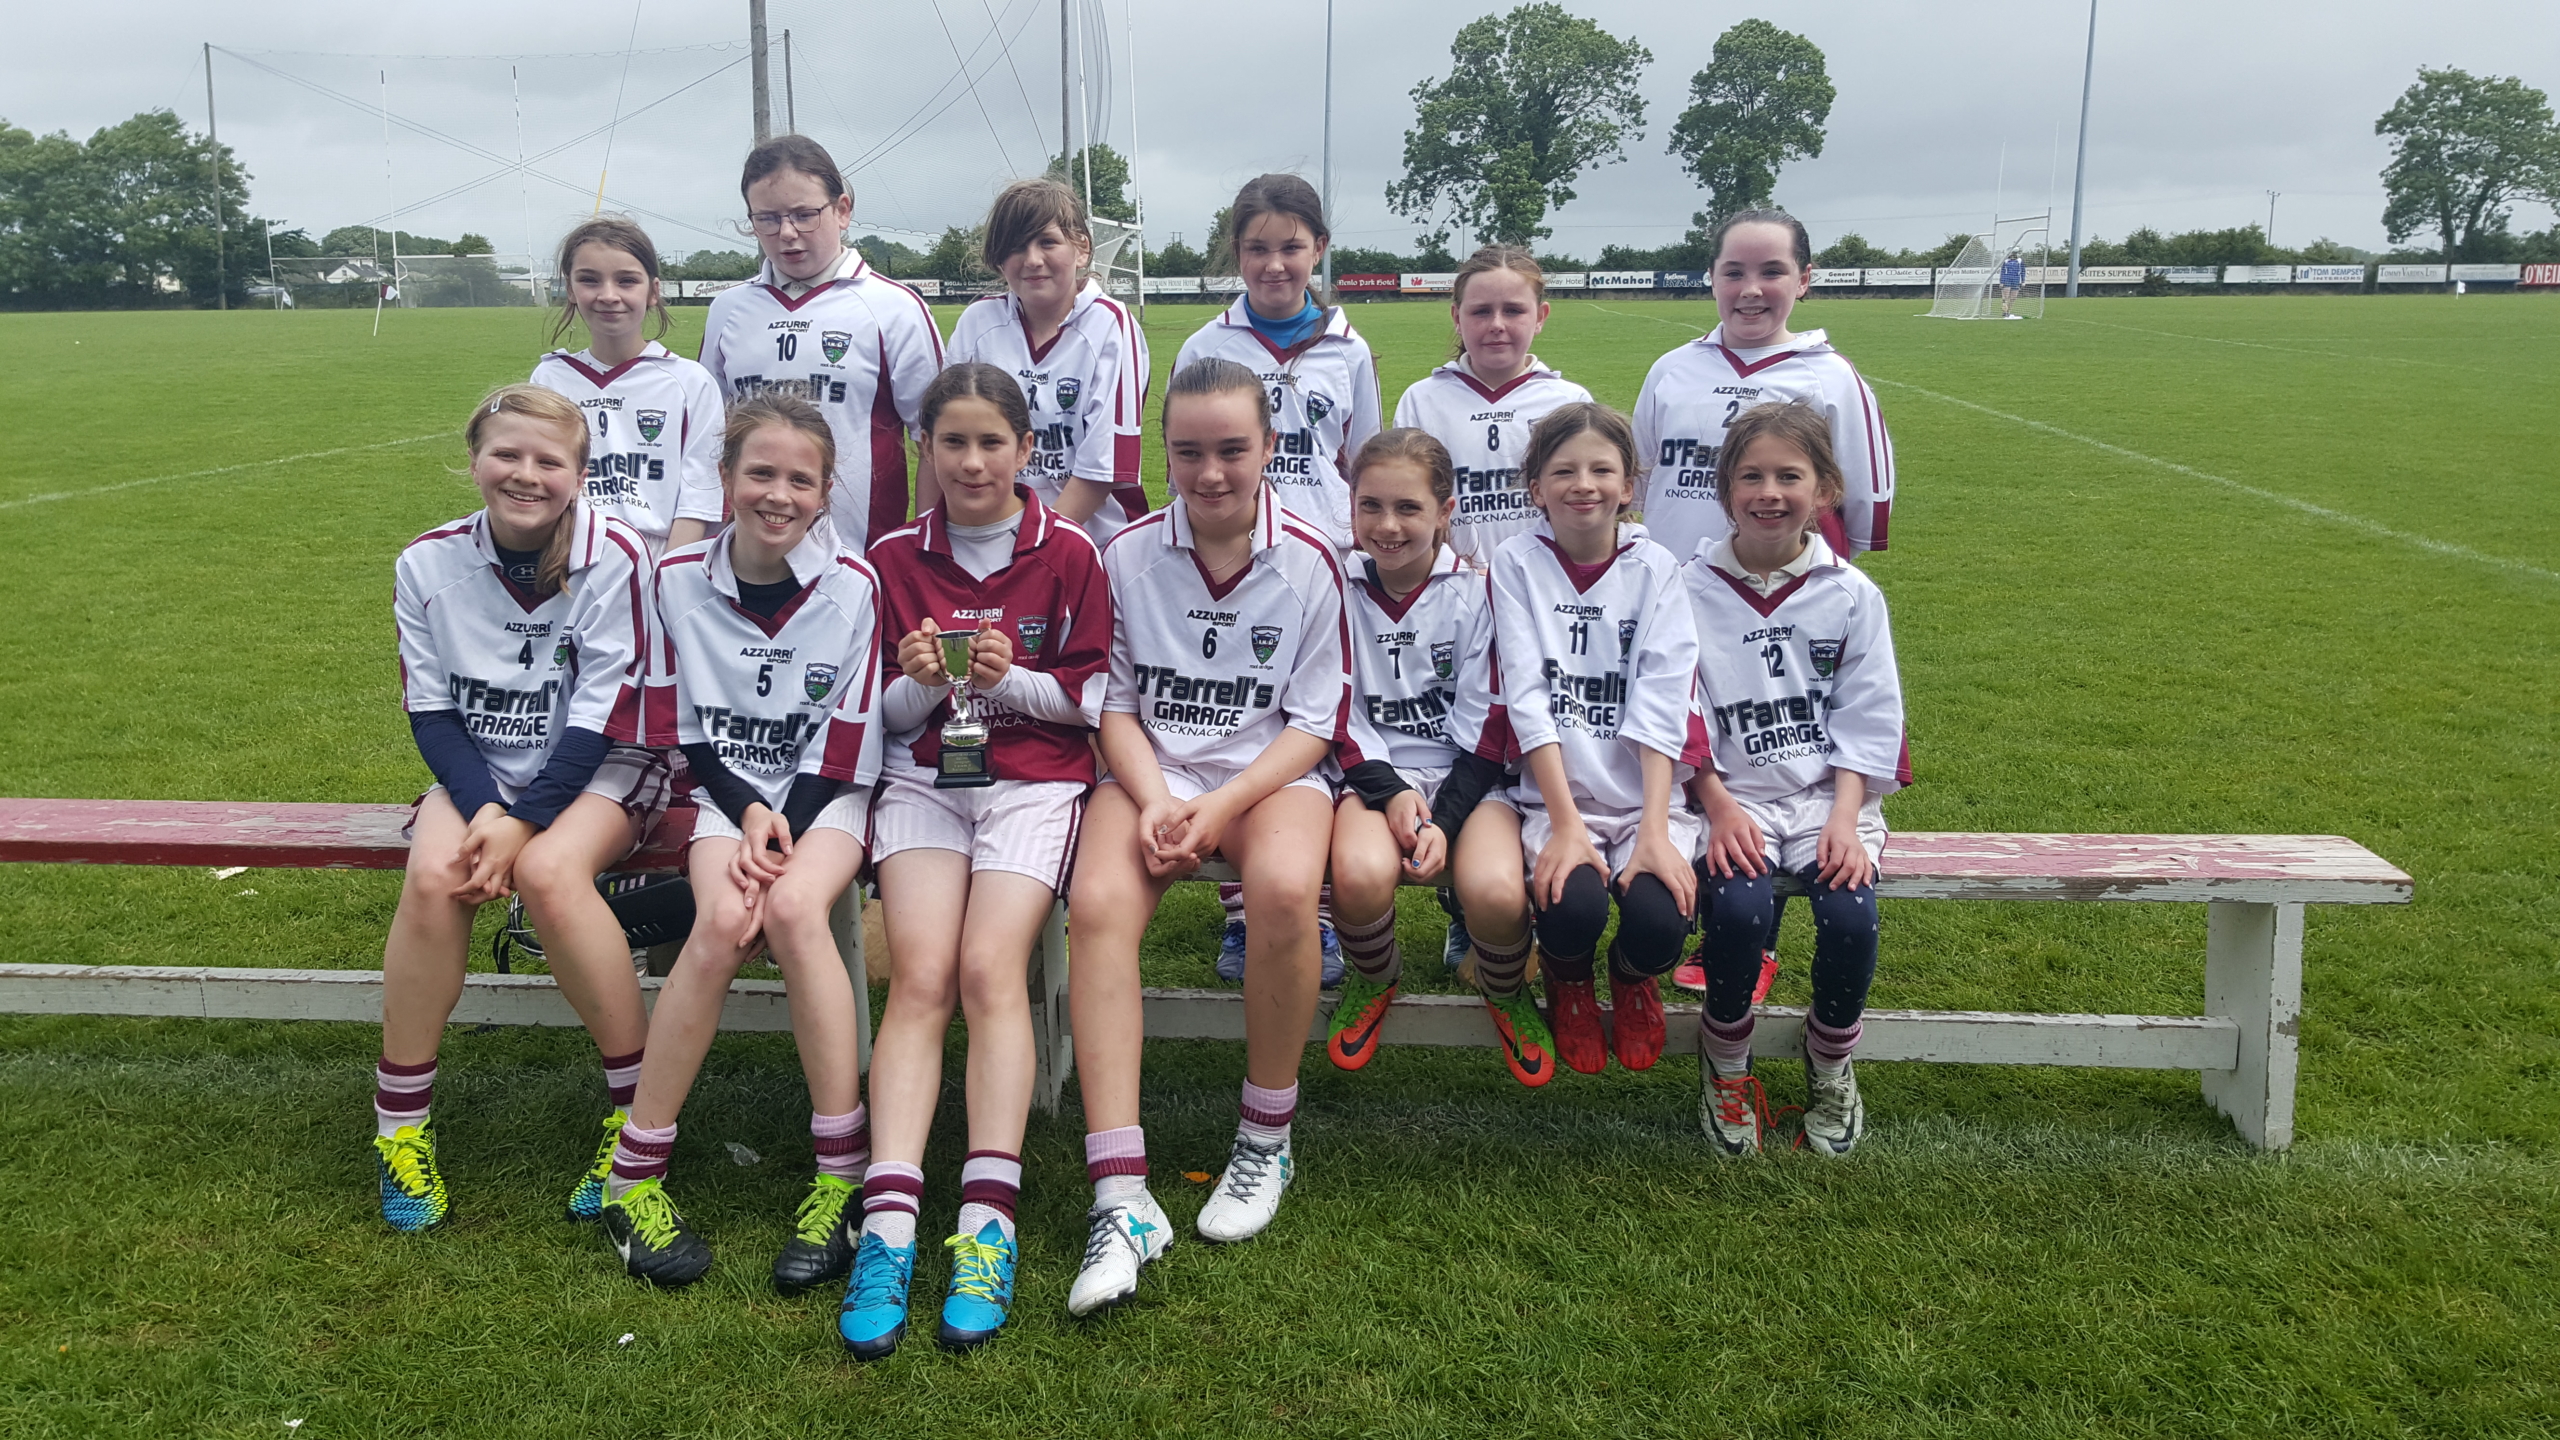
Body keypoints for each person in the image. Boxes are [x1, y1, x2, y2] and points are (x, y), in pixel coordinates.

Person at [1063, 357, 1348, 1316]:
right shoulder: (1125, 554)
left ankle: (1266, 1137)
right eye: (1188, 452)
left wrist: (1221, 810)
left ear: (1271, 447)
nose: (1211, 472)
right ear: (1165, 452)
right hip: (1152, 771)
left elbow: (1312, 723)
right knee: (1098, 904)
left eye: (1233, 449)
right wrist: (1154, 799)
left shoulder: (1311, 559)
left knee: (1282, 892)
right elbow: (1112, 703)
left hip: (1270, 775)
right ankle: (1121, 1193)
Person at [840, 363, 1113, 1358]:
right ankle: (888, 1226)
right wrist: (922, 684)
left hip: (1032, 786)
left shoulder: (1071, 551)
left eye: (992, 441)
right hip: (924, 781)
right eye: (951, 441)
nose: (971, 461)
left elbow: (1091, 702)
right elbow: (875, 718)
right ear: (925, 449)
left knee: (990, 970)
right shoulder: (889, 558)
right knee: (919, 976)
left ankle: (987, 1222)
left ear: (1027, 449)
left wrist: (1014, 678)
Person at [599, 393, 886, 1289]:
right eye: (759, 473)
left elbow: (847, 737)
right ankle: (632, 1177)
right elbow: (683, 727)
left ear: (826, 491)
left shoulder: (856, 583)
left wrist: (784, 822)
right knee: (721, 921)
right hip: (725, 797)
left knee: (796, 909)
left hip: (826, 795)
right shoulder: (677, 576)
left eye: (800, 479)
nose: (778, 494)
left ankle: (842, 1177)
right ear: (724, 479)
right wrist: (747, 812)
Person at [375, 385, 664, 1233]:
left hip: (607, 763)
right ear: (474, 460)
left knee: (549, 873)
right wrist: (488, 811)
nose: (525, 474)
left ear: (580, 474)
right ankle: (400, 1129)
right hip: (485, 777)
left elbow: (602, 713)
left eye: (549, 460)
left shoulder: (616, 554)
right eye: (506, 454)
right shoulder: (425, 563)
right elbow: (433, 712)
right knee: (436, 875)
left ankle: (634, 1121)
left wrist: (523, 823)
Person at [1630, 206, 1897, 999]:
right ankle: (1684, 920)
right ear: (1711, 278)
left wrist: (1798, 601)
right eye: (1734, 271)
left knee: (1769, 749)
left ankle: (1751, 942)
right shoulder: (1671, 370)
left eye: (1772, 271)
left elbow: (1860, 513)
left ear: (1804, 280)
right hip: (1680, 601)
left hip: (1780, 601)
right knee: (1683, 755)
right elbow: (1638, 483)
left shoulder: (1833, 378)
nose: (1751, 289)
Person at [1450, 402, 1706, 1085]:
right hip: (1556, 797)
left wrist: (1655, 828)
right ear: (1535, 487)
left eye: (1601, 470)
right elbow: (1527, 693)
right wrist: (1564, 824)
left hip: (1646, 800)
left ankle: (1630, 979)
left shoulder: (1656, 566)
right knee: (1573, 904)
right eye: (1564, 471)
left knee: (1661, 921)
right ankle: (1568, 983)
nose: (1583, 484)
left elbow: (1664, 696)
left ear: (1629, 486)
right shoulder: (1516, 562)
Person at [1680, 400, 1907, 1158]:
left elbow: (1870, 714)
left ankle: (1831, 1059)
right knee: (1740, 909)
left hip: (1824, 801)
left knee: (1850, 917)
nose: (1768, 492)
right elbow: (1675, 711)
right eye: (1750, 476)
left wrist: (1845, 818)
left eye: (1789, 476)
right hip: (1727, 798)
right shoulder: (1686, 588)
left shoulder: (1851, 594)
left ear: (1826, 489)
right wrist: (1716, 804)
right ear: (1724, 488)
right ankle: (1726, 1061)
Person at [1174, 174, 1377, 982]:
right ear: (1237, 253)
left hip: (1319, 564)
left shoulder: (1349, 348)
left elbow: (1363, 458)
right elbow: (1187, 455)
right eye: (1256, 248)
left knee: (1307, 731)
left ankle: (1310, 908)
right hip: (1232, 561)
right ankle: (1240, 911)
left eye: (1291, 247)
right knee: (1236, 722)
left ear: (1318, 248)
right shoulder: (1206, 345)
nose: (1273, 264)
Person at [1322, 428, 1505, 1071]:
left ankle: (1506, 989)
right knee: (1358, 875)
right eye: (1370, 506)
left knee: (1498, 891)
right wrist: (1392, 792)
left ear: (1445, 510)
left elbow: (1489, 725)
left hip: (1470, 780)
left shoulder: (1481, 594)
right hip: (1373, 776)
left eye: (1408, 508)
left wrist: (1444, 821)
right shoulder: (1333, 587)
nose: (1387, 525)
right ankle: (1377, 978)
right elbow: (1333, 712)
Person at [698, 134, 944, 555]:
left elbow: (935, 441)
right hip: (750, 559)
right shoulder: (728, 308)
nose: (787, 233)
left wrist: (925, 550)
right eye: (767, 219)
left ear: (842, 210)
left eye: (804, 215)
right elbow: (707, 438)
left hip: (862, 558)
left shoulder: (895, 308)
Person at [942, 178, 1151, 550]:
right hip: (992, 543)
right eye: (1016, 246)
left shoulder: (1110, 325)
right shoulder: (978, 322)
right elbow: (946, 440)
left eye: (1048, 242)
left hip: (1090, 544)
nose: (1033, 260)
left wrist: (1031, 549)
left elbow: (1101, 468)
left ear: (1081, 249)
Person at [529, 216, 726, 555]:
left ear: (653, 291)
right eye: (589, 280)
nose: (608, 295)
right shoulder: (549, 379)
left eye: (626, 281)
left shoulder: (690, 382)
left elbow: (700, 497)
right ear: (571, 289)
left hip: (660, 558)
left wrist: (668, 574)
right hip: (568, 556)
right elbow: (539, 481)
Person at [1392, 245, 1594, 568]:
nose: (1497, 324)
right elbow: (1406, 502)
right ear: (1457, 317)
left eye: (1513, 311)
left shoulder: (1569, 402)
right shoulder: (1422, 399)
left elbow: (1587, 508)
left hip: (1545, 582)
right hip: (1452, 583)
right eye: (1481, 311)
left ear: (1540, 317)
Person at [1999, 249, 2027, 319]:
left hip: (2016, 280)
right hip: (2007, 280)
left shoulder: (2020, 261)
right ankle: (2005, 311)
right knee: (2005, 297)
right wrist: (2001, 282)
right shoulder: (2006, 261)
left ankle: (2008, 311)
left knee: (2013, 298)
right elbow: (2002, 272)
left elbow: (2023, 271)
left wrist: (2023, 281)